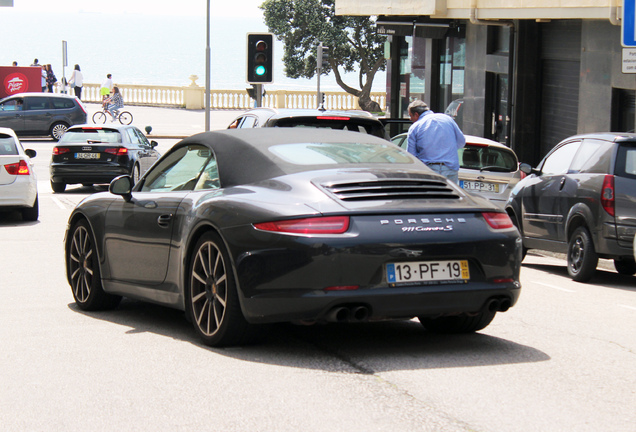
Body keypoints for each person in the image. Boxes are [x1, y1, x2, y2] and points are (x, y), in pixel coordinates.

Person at [406, 99, 466, 184]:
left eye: (410, 116)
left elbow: (411, 156)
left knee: (432, 196)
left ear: (416, 114)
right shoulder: (447, 119)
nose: (410, 119)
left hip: (429, 171)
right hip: (450, 169)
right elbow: (461, 142)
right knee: (450, 196)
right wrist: (447, 149)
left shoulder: (415, 127)